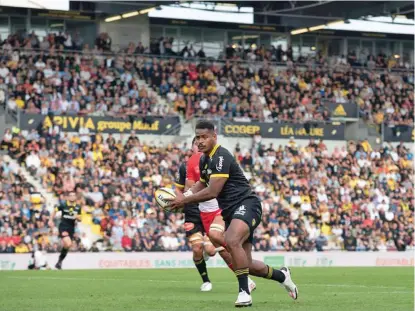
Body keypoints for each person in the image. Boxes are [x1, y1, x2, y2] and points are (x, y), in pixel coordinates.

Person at [168, 120, 298, 307]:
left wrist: (184, 200)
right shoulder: (205, 159)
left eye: (204, 137)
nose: (200, 141)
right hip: (231, 212)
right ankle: (282, 275)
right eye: (197, 137)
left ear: (214, 136)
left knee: (231, 240)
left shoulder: (221, 157)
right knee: (247, 263)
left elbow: (212, 191)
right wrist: (184, 195)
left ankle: (244, 293)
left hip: (247, 204)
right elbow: (201, 184)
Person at [176, 138, 256, 292]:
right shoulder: (187, 166)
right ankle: (206, 281)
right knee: (197, 248)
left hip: (217, 208)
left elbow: (215, 188)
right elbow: (183, 189)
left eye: (201, 141)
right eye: (195, 143)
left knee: (215, 247)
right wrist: (177, 200)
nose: (198, 146)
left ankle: (244, 277)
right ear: (192, 147)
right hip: (195, 211)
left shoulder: (216, 160)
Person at [48, 191, 81, 270]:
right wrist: (50, 220)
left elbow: (80, 219)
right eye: (71, 195)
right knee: (68, 243)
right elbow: (55, 210)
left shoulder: (78, 207)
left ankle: (59, 262)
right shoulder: (63, 204)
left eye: (74, 195)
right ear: (68, 197)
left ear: (75, 197)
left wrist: (78, 218)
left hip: (71, 228)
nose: (72, 197)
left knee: (67, 246)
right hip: (63, 226)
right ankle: (59, 260)